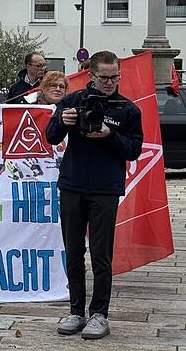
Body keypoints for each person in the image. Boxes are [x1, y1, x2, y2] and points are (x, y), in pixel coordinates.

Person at [46, 51, 142, 340]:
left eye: (115, 77)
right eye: (104, 77)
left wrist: (109, 136)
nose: (110, 82)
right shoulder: (73, 101)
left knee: (101, 255)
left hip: (105, 189)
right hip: (73, 185)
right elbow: (51, 136)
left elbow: (134, 150)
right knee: (73, 252)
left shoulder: (128, 110)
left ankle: (100, 314)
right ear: (91, 76)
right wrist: (63, 120)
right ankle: (76, 311)